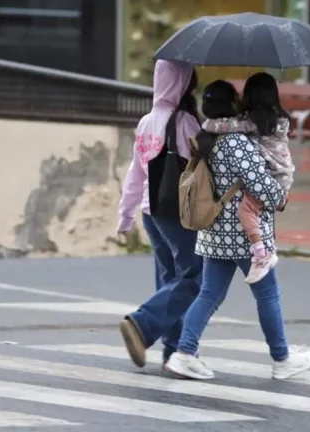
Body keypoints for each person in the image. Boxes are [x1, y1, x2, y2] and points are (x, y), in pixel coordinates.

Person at [164, 79, 310, 381]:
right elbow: (259, 184)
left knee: (209, 295)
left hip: (215, 231)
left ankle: (184, 353)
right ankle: (282, 359)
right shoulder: (236, 143)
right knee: (268, 294)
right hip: (245, 234)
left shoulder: (209, 136)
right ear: (230, 104)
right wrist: (280, 197)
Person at [116, 60, 203, 368]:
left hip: (150, 211)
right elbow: (204, 169)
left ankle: (174, 351)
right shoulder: (185, 123)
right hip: (177, 212)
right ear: (183, 82)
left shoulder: (147, 121)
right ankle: (143, 324)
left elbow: (135, 173)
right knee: (194, 276)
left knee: (170, 279)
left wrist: (125, 215)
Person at [202, 72, 294, 284]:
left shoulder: (256, 123)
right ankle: (262, 248)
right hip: (282, 175)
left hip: (275, 177)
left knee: (246, 209)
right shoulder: (277, 118)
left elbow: (227, 126)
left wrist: (207, 125)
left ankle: (261, 254)